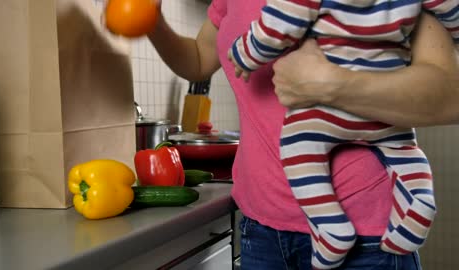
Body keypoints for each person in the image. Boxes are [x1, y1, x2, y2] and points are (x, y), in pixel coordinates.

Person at [145, 0, 459, 268]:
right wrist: (153, 22)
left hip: (366, 237)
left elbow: (449, 95)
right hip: (261, 229)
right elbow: (200, 59)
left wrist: (333, 84)